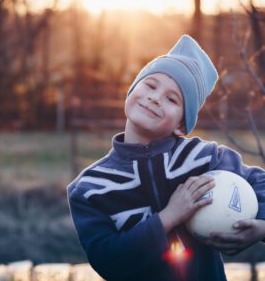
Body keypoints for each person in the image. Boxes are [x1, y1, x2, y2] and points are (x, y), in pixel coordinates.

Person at [67, 35, 265, 281]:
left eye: (172, 99)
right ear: (131, 91)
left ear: (182, 125)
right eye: (150, 85)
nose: (155, 97)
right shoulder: (90, 188)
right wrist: (168, 218)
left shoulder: (203, 159)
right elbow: (107, 261)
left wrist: (261, 228)